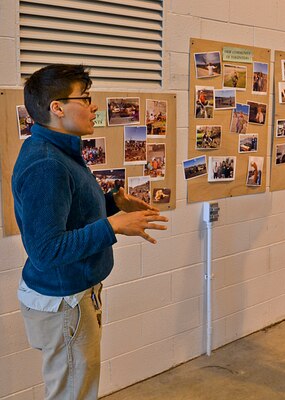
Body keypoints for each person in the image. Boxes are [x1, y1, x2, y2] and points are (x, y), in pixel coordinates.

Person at [12, 64, 169, 400]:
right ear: (57, 108)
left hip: (73, 296)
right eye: (84, 98)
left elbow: (73, 213)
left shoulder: (57, 150)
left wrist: (113, 205)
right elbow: (46, 249)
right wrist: (112, 226)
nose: (93, 106)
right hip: (64, 302)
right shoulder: (48, 164)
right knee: (72, 393)